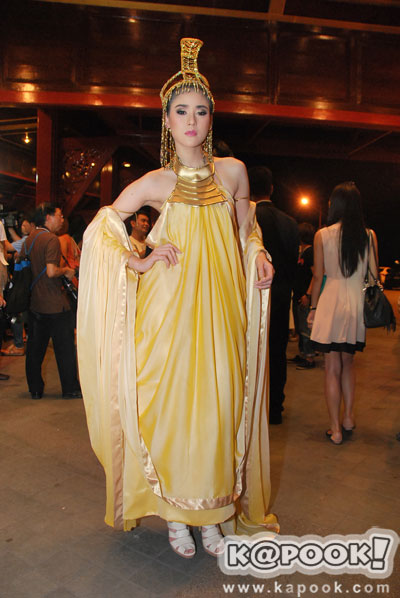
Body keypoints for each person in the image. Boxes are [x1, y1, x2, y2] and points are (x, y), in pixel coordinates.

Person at [77, 38, 279, 560]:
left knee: (218, 410)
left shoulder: (233, 172)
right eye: (181, 110)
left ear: (212, 118)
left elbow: (245, 231)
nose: (192, 120)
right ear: (167, 120)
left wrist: (258, 253)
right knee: (170, 412)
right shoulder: (155, 181)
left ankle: (212, 513)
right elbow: (102, 227)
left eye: (201, 111)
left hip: (223, 312)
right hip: (167, 316)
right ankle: (174, 515)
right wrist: (137, 260)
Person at [307, 182, 374, 445]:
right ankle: (348, 417)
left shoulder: (322, 235)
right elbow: (372, 277)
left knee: (331, 367)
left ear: (334, 205)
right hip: (355, 303)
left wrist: (313, 308)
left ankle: (335, 429)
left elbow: (317, 276)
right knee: (349, 363)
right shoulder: (369, 236)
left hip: (330, 302)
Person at [249, 166, 299, 424]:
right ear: (271, 189)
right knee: (277, 351)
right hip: (280, 295)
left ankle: (252, 407)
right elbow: (292, 264)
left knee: (250, 350)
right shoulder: (290, 222)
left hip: (251, 294)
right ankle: (275, 407)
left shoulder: (246, 217)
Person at [23, 204, 82, 400]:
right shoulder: (51, 239)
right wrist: (66, 271)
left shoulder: (29, 239)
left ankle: (35, 389)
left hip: (35, 303)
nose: (62, 219)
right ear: (48, 217)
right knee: (65, 348)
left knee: (35, 349)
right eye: (59, 215)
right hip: (55, 303)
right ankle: (70, 388)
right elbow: (50, 271)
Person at [290, 222, 316, 370]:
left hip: (305, 297)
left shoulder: (311, 252)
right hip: (298, 295)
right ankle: (303, 353)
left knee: (306, 328)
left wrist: (308, 294)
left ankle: (309, 357)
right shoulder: (303, 252)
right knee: (300, 327)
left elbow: (316, 275)